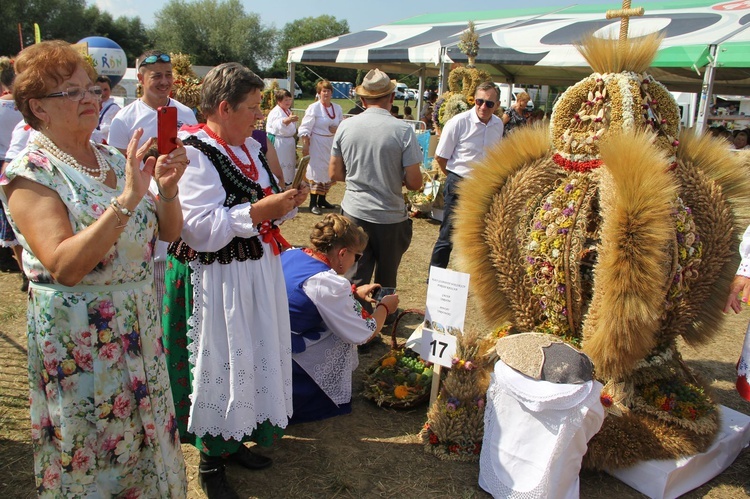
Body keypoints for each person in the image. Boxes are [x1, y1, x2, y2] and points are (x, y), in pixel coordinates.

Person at [2, 40, 188, 497]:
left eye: (91, 87)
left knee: (145, 451)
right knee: (97, 454)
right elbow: (65, 264)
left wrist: (165, 190)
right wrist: (125, 201)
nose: (89, 97)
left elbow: (166, 234)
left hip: (139, 329)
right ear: (37, 108)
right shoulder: (31, 173)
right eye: (70, 92)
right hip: (83, 339)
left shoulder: (108, 156)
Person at [162, 62, 309, 499]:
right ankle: (210, 459)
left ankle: (234, 438)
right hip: (215, 279)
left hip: (251, 273)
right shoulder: (193, 152)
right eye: (251, 108)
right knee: (221, 360)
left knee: (248, 355)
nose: (258, 116)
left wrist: (286, 202)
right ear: (223, 108)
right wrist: (265, 209)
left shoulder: (247, 148)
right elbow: (200, 230)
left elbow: (259, 205)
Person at [281, 214, 400, 423]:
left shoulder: (293, 253)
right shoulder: (329, 283)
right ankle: (313, 397)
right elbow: (364, 333)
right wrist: (384, 308)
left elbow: (309, 291)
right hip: (285, 351)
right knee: (340, 338)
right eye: (358, 256)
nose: (357, 261)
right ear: (343, 253)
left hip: (267, 336)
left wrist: (353, 292)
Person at [108, 50, 198, 312]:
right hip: (144, 204)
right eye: (156, 75)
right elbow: (117, 170)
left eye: (168, 75)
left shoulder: (186, 114)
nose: (164, 81)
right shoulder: (124, 118)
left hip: (182, 198)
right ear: (140, 78)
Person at [329, 68, 423, 297]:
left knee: (355, 273)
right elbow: (414, 182)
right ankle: (384, 315)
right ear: (391, 98)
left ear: (362, 99)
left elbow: (334, 173)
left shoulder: (346, 126)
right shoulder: (403, 130)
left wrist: (360, 175)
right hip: (389, 215)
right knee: (387, 276)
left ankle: (354, 318)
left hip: (355, 211)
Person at [429, 81, 504, 270]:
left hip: (484, 185)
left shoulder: (498, 125)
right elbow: (440, 157)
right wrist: (455, 178)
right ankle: (435, 278)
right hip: (459, 181)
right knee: (448, 235)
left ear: (497, 105)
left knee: (477, 237)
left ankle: (471, 279)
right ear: (474, 100)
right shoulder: (459, 122)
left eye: (489, 103)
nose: (483, 107)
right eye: (479, 101)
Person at [298, 79, 343, 215]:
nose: (326, 93)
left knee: (327, 170)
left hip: (330, 144)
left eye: (328, 91)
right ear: (319, 93)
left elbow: (341, 123)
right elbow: (305, 127)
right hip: (317, 143)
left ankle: (322, 199)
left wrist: (337, 128)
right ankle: (313, 203)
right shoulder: (314, 108)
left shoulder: (337, 108)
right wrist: (305, 144)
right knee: (316, 171)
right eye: (324, 91)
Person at [0, 56, 25, 289]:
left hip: (6, 166)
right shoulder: (26, 114)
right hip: (23, 165)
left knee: (11, 222)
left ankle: (23, 270)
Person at [265, 88, 299, 188]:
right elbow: (277, 125)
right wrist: (287, 120)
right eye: (286, 100)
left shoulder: (287, 111)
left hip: (287, 142)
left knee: (289, 167)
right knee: (279, 166)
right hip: (279, 142)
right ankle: (279, 186)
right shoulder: (276, 112)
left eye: (290, 99)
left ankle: (287, 185)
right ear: (279, 101)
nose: (288, 102)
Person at [95, 75, 120, 141]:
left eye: (105, 90)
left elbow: (105, 134)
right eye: (99, 90)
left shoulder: (113, 109)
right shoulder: (93, 107)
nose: (102, 93)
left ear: (110, 91)